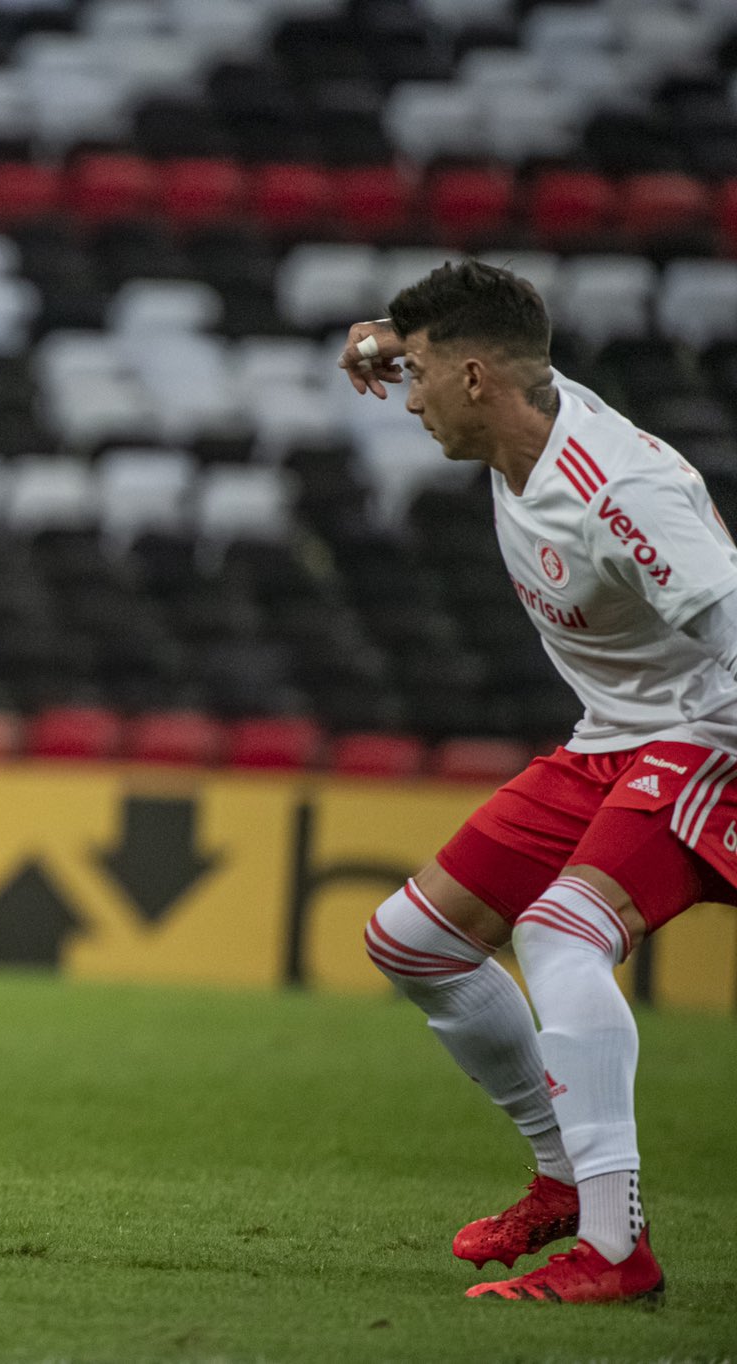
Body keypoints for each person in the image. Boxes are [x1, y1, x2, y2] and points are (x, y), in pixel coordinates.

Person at [340, 259, 737, 1304]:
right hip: (610, 734)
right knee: (411, 939)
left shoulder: (618, 489)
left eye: (418, 375)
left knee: (559, 932)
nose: (406, 396)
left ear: (473, 378)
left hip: (710, 730)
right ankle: (563, 1172)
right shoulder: (508, 406)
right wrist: (383, 335)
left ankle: (614, 1248)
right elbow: (445, 337)